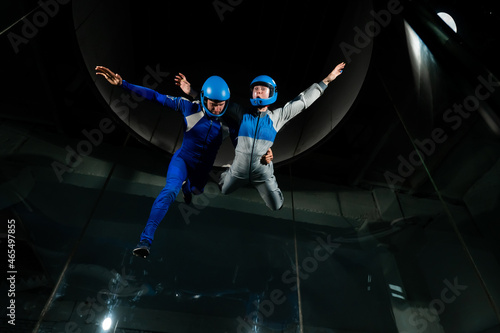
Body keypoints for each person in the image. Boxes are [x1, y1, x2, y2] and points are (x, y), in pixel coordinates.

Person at [95, 66, 232, 258]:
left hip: (202, 170)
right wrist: (123, 84)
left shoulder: (228, 124)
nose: (217, 109)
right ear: (203, 100)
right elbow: (155, 96)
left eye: (221, 105)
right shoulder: (188, 107)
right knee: (169, 191)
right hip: (182, 160)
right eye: (212, 104)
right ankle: (145, 240)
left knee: (195, 190)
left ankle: (188, 188)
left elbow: (249, 142)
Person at [177, 62, 345, 211]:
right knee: (224, 189)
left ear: (271, 93)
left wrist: (327, 80)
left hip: (262, 172)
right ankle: (206, 179)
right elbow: (216, 104)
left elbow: (302, 102)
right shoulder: (241, 113)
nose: (258, 93)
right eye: (255, 90)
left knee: (276, 205)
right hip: (238, 170)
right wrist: (191, 92)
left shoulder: (277, 117)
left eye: (262, 90)